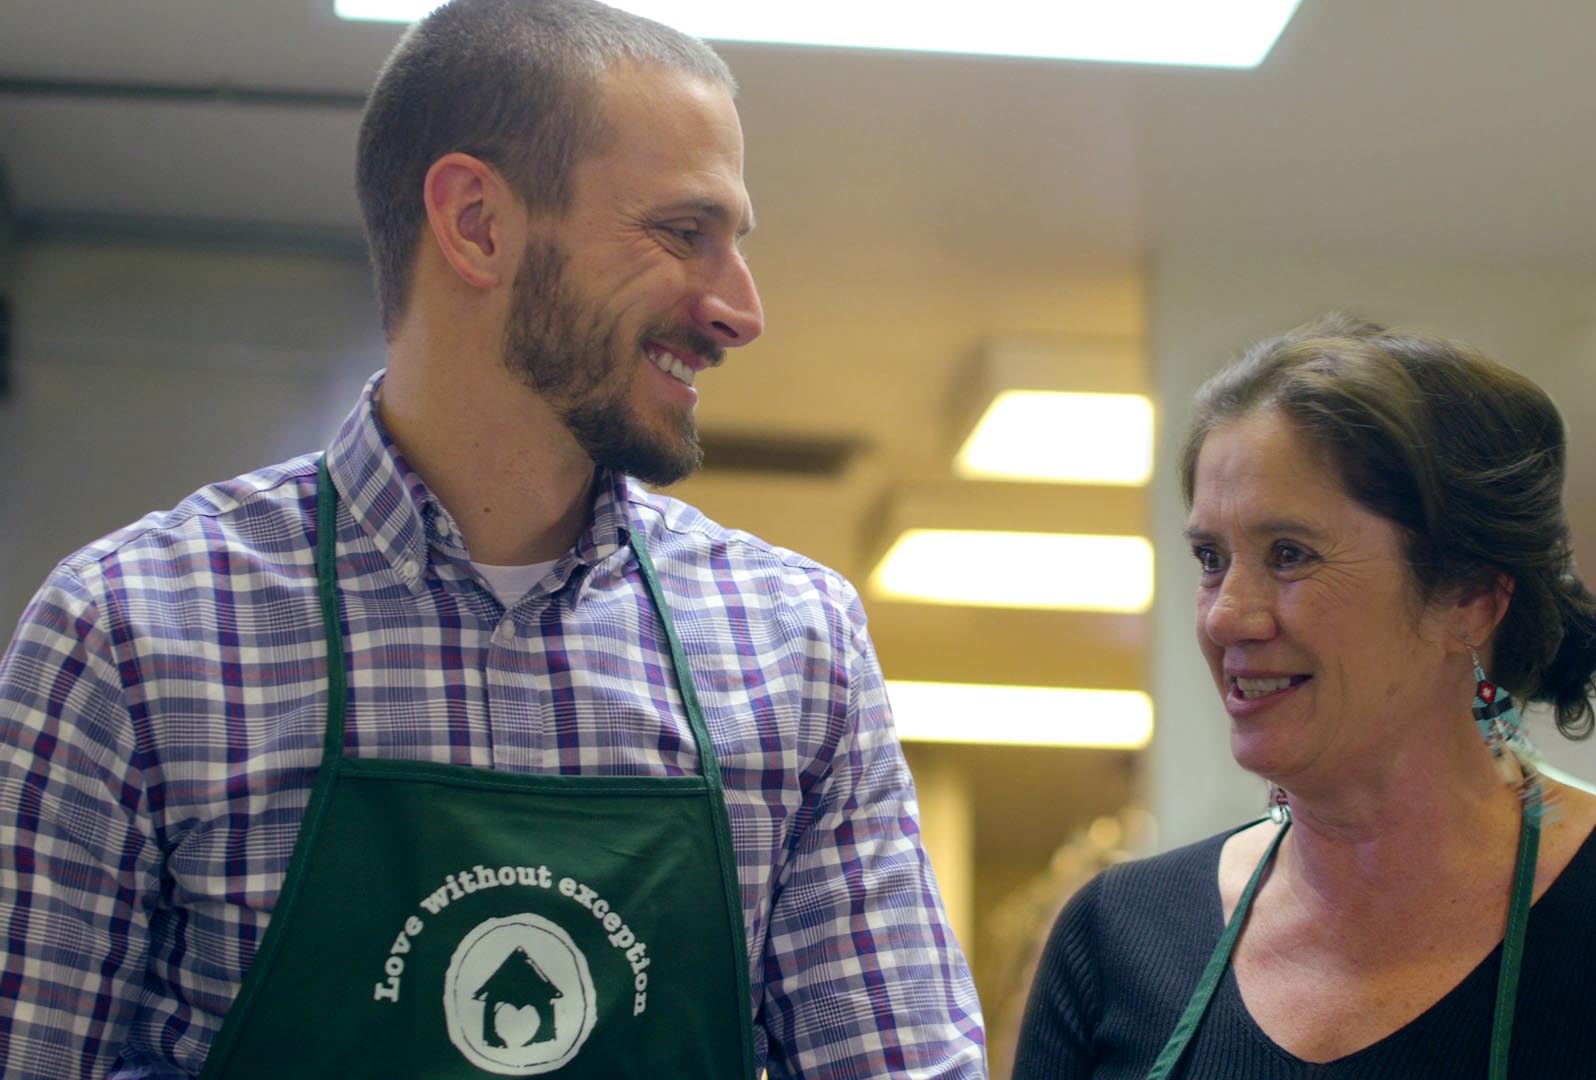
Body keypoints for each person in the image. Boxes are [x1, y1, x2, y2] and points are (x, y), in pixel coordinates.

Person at [0, 1, 985, 1075]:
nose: (740, 309)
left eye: (734, 245)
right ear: (477, 223)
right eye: (682, 232)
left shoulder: (794, 650)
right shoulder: (129, 637)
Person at [1013, 314, 1596, 1079]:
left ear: (1470, 601)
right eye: (1211, 558)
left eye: (1290, 555)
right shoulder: (1118, 937)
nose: (1226, 616)